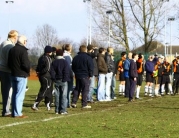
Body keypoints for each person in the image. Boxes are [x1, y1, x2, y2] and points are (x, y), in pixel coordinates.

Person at [8, 35, 30, 118]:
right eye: (26, 41)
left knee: (14, 94)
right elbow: (25, 64)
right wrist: (27, 70)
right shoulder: (23, 51)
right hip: (21, 75)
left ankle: (14, 111)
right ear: (24, 41)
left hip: (13, 74)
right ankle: (17, 113)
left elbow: (9, 63)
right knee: (20, 95)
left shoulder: (12, 49)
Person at [0, 30, 18, 117]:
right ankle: (6, 111)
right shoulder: (10, 46)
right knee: (8, 92)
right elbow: (10, 60)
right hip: (6, 70)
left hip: (1, 68)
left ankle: (5, 110)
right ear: (14, 37)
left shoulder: (3, 43)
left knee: (4, 91)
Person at [31, 46, 53, 111]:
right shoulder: (48, 58)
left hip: (42, 76)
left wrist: (38, 72)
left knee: (48, 91)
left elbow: (37, 66)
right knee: (44, 90)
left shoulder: (41, 57)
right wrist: (41, 72)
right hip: (46, 76)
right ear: (49, 52)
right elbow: (48, 68)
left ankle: (48, 105)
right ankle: (35, 104)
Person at [50, 49, 70, 114]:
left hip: (56, 80)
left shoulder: (54, 62)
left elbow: (52, 71)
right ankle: (63, 110)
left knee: (57, 95)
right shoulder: (65, 62)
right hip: (63, 80)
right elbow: (66, 71)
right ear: (62, 54)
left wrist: (54, 78)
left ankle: (57, 110)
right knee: (63, 96)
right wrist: (65, 79)